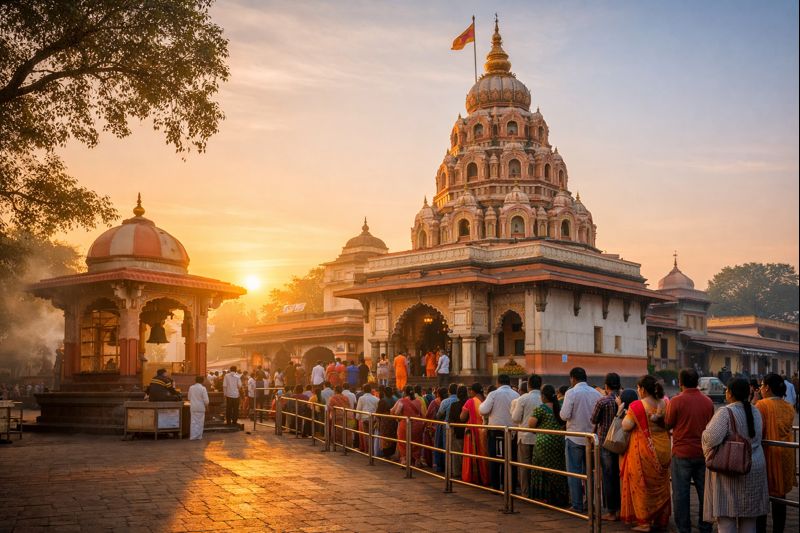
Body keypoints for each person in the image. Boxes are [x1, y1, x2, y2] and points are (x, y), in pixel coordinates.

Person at [703, 377, 769, 533]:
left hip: (731, 469)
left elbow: (711, 438)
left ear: (730, 393)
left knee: (727, 520)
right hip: (755, 468)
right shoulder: (756, 411)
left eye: (726, 390)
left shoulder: (725, 412)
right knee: (749, 520)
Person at [665, 368, 714, 533]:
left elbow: (668, 423)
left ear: (680, 383)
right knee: (704, 493)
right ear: (698, 382)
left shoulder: (676, 401)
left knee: (681, 494)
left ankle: (684, 528)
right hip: (703, 453)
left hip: (681, 454)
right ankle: (705, 526)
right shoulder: (708, 402)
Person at [620, 375, 671, 532]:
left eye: (638, 388)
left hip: (644, 452)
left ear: (642, 389)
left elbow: (626, 426)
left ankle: (644, 523)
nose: (638, 390)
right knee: (661, 484)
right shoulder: (666, 402)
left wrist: (622, 413)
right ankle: (660, 520)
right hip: (663, 448)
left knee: (642, 485)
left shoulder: (637, 406)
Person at [755, 374, 796, 533]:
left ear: (767, 387)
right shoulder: (789, 406)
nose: (760, 388)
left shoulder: (762, 405)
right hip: (786, 455)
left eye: (762, 385)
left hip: (768, 457)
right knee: (780, 497)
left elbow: (757, 431)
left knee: (762, 498)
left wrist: (754, 401)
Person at [560, 367, 602, 513]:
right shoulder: (596, 393)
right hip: (591, 439)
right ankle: (591, 503)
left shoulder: (571, 392)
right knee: (590, 473)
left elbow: (564, 415)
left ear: (573, 378)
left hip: (574, 437)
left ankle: (577, 505)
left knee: (574, 473)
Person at [528, 384, 569, 507]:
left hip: (543, 443)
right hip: (559, 442)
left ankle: (543, 497)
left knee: (542, 470)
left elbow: (531, 425)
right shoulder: (560, 407)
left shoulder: (540, 409)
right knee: (557, 469)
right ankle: (559, 497)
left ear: (544, 396)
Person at [591, 372, 624, 522]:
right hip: (623, 443)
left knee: (608, 477)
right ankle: (622, 508)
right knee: (620, 477)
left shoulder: (602, 401)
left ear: (606, 385)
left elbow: (593, 419)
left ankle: (612, 512)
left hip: (606, 443)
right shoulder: (625, 399)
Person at [479, 374, 519, 491]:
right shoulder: (516, 394)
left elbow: (483, 410)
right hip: (512, 432)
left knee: (495, 459)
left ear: (498, 383)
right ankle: (510, 486)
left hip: (496, 431)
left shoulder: (494, 394)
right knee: (510, 459)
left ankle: (496, 486)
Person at [512, 374, 542, 497]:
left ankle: (525, 492)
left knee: (524, 466)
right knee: (538, 466)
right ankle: (537, 492)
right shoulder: (543, 397)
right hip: (539, 437)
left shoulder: (523, 399)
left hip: (524, 436)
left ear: (528, 385)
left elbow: (515, 418)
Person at [460, 382, 490, 486]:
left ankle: (472, 477)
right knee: (485, 455)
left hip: (473, 432)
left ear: (473, 391)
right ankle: (485, 477)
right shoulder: (486, 400)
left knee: (473, 454)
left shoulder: (470, 402)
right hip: (485, 431)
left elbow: (462, 417)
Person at [391, 385, 425, 466]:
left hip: (405, 425)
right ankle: (417, 460)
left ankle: (405, 460)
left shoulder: (401, 401)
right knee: (416, 443)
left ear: (404, 392)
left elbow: (396, 412)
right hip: (417, 425)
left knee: (403, 443)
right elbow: (423, 413)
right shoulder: (418, 401)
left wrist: (397, 417)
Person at [422, 386, 445, 469]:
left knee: (433, 445)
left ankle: (433, 463)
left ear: (437, 394)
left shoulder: (434, 402)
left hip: (434, 427)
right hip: (445, 427)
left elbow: (428, 415)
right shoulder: (447, 402)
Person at [355, 383, 379, 453]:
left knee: (367, 436)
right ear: (370, 390)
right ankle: (372, 450)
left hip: (365, 419)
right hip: (373, 419)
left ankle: (369, 451)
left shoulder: (361, 398)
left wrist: (358, 418)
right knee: (372, 435)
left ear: (363, 390)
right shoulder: (376, 399)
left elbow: (358, 409)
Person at [188, 376, 209, 440]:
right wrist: (206, 405)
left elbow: (189, 398)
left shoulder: (191, 387)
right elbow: (206, 400)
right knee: (200, 422)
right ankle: (199, 436)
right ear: (202, 381)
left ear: (195, 380)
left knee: (193, 422)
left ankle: (193, 436)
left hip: (193, 407)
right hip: (201, 407)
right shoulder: (203, 388)